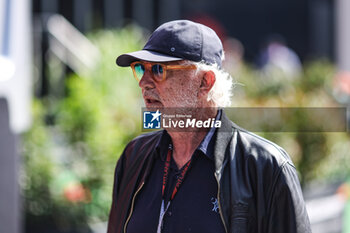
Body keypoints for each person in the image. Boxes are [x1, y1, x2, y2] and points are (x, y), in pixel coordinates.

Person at [108, 20, 311, 233]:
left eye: (159, 70)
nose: (144, 83)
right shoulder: (134, 156)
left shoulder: (266, 166)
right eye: (140, 69)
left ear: (205, 82)